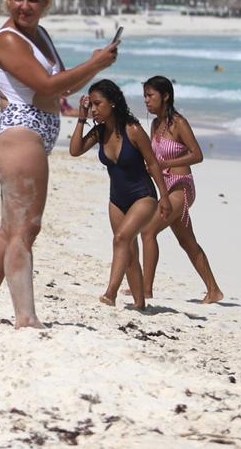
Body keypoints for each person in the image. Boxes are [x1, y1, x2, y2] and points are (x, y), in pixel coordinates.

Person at [0, 0, 119, 328]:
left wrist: (96, 66)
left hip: (34, 134)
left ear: (45, 3)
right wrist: (95, 64)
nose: (25, 6)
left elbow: (61, 89)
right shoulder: (8, 40)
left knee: (11, 230)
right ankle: (25, 317)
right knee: (26, 228)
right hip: (20, 134)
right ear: (7, 0)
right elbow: (45, 85)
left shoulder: (40, 35)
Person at [69, 79, 171, 310]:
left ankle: (110, 293)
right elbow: (75, 151)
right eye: (91, 105)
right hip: (116, 199)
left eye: (97, 104)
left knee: (121, 239)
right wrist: (81, 118)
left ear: (112, 103)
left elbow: (153, 164)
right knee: (128, 250)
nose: (94, 109)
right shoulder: (99, 132)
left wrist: (164, 197)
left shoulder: (133, 130)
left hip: (143, 196)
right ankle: (139, 303)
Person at [139, 76, 224, 304]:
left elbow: (197, 154)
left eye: (150, 95)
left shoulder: (178, 123)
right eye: (145, 96)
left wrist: (164, 165)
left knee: (148, 231)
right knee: (187, 242)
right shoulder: (155, 124)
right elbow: (151, 156)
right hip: (167, 188)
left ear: (165, 96)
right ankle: (214, 290)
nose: (146, 100)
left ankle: (146, 290)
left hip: (182, 186)